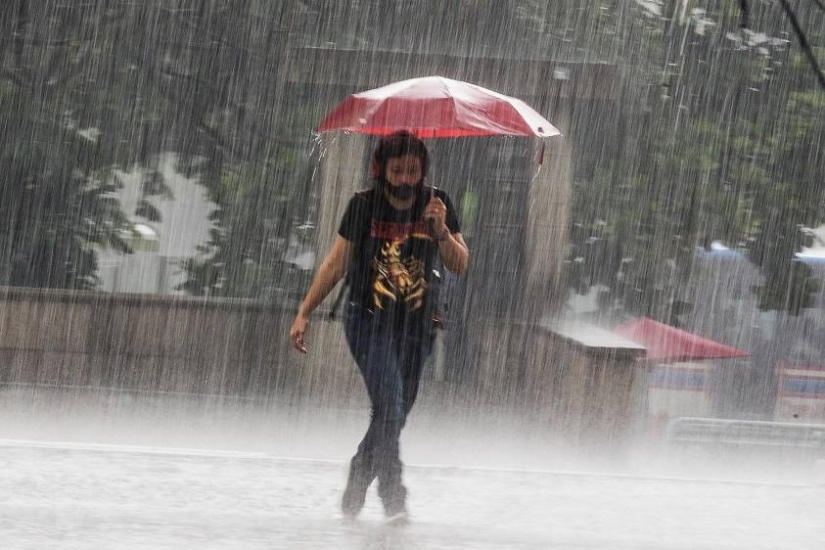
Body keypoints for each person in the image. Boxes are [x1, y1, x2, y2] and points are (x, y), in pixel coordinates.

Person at [289, 130, 469, 523]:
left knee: (396, 413)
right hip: (368, 320)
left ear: (423, 171)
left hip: (418, 325)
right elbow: (335, 264)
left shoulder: (437, 204)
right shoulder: (364, 205)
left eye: (413, 171)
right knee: (389, 404)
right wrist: (305, 312)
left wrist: (440, 230)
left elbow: (459, 263)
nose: (405, 179)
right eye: (397, 170)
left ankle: (360, 470)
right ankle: (393, 496)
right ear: (381, 170)